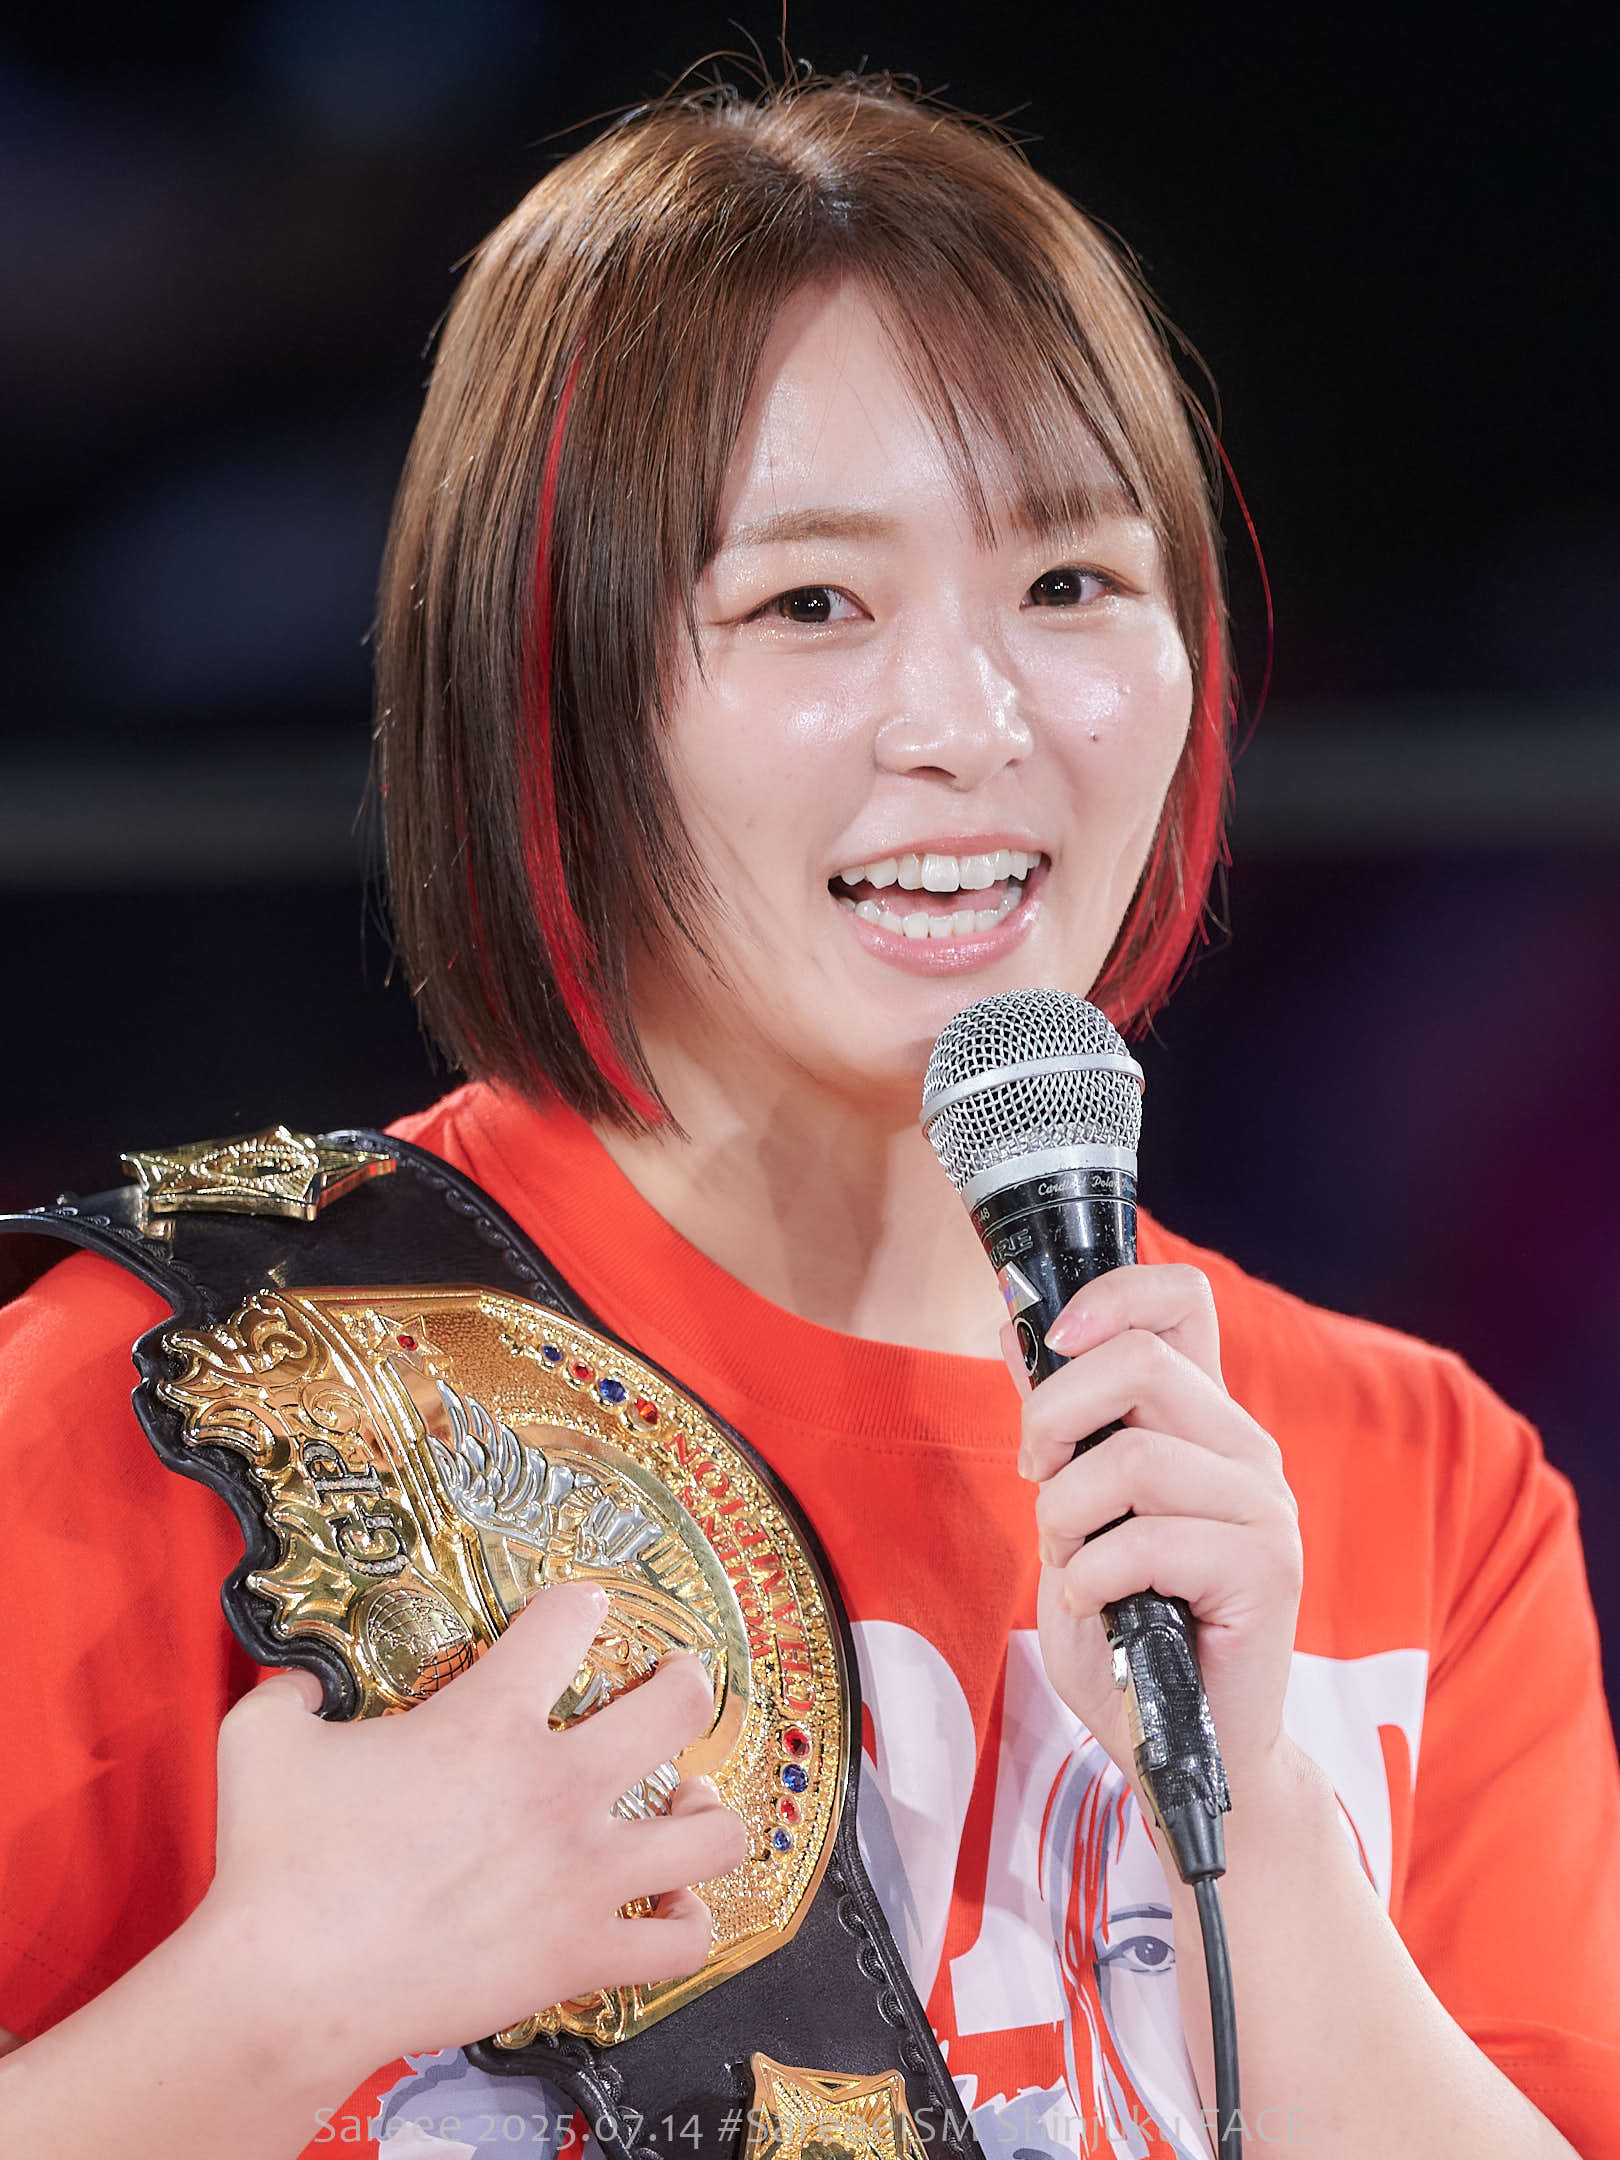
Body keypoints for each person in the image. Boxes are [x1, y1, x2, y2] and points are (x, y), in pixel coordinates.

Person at [2, 71, 1617, 2160]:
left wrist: (1269, 1850)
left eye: (1071, 585)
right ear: (551, 686)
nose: (970, 723)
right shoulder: (191, 1411)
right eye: (809, 605)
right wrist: (279, 2001)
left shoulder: (1412, 1483)